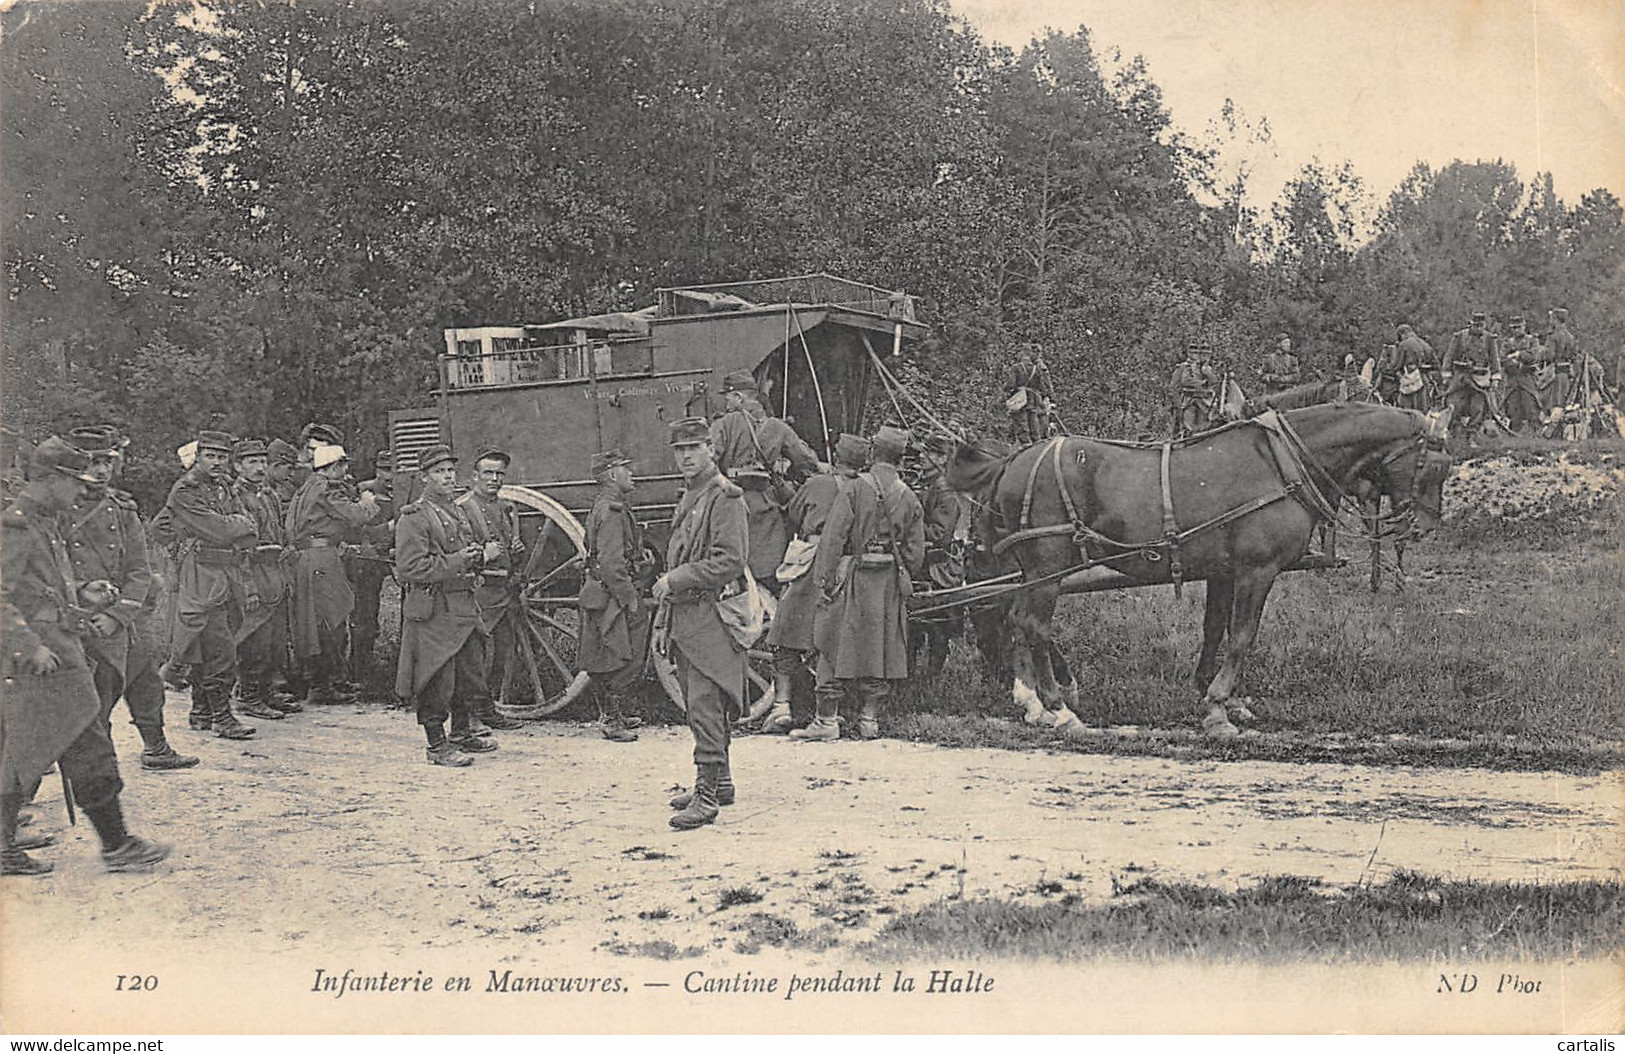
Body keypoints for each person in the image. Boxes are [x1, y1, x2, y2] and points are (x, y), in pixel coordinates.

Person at [2, 437, 172, 875]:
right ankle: (115, 844)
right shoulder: (17, 526)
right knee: (35, 748)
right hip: (39, 659)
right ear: (53, 480)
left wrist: (82, 594)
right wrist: (29, 647)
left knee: (68, 744)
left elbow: (39, 591)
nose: (83, 491)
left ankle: (115, 843)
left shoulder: (44, 523)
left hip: (58, 649)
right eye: (75, 482)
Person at [63, 426, 199, 771]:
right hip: (80, 619)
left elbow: (140, 570)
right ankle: (25, 789)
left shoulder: (122, 510)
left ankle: (156, 747)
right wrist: (82, 594)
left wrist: (119, 615)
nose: (101, 470)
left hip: (124, 617)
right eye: (93, 462)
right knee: (95, 698)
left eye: (107, 462)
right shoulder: (58, 510)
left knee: (146, 681)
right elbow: (49, 569)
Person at [796, 425, 925, 743]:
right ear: (900, 458)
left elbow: (834, 536)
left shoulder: (854, 489)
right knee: (880, 646)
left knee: (831, 640)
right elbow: (915, 552)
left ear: (873, 453)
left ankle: (827, 720)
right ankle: (869, 721)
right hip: (887, 584)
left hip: (852, 574)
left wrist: (824, 578)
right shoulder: (908, 496)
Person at [652, 418, 749, 831]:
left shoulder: (724, 496)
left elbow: (730, 559)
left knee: (707, 705)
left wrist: (676, 579)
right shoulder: (693, 494)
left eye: (694, 447)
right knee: (698, 703)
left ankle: (706, 798)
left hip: (710, 617)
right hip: (688, 618)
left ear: (712, 448)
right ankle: (720, 782)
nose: (686, 456)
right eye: (680, 450)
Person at [393, 444, 498, 766]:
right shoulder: (415, 516)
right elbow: (410, 568)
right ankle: (437, 746)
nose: (448, 477)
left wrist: (479, 557)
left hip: (462, 606)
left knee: (469, 673)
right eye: (440, 472)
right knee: (437, 677)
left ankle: (462, 733)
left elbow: (466, 556)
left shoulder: (459, 510)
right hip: (435, 609)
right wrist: (458, 561)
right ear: (424, 477)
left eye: (451, 471)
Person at [761, 434, 866, 734]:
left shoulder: (819, 484)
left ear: (837, 457)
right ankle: (833, 709)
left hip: (811, 562)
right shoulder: (864, 489)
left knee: (786, 630)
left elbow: (793, 512)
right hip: (846, 566)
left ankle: (782, 705)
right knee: (831, 640)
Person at [161, 429, 260, 738]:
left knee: (211, 642)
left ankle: (200, 711)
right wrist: (235, 526)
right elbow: (219, 530)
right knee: (220, 647)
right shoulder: (185, 491)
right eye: (210, 456)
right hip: (202, 574)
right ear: (198, 457)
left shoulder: (225, 487)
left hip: (227, 572)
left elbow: (249, 527)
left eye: (222, 457)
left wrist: (236, 526)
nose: (217, 462)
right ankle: (222, 716)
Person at [285, 442, 378, 704]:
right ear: (334, 467)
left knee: (312, 622)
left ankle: (322, 681)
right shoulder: (328, 488)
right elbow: (355, 516)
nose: (346, 470)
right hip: (321, 559)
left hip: (307, 557)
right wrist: (368, 501)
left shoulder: (306, 487)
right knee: (330, 620)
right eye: (343, 464)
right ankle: (323, 686)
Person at [708, 371, 819, 586]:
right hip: (765, 507)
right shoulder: (778, 427)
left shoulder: (724, 424)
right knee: (770, 571)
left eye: (729, 397)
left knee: (732, 573)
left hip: (730, 505)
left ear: (739, 398)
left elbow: (708, 461)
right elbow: (806, 461)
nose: (727, 403)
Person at [576, 449, 652, 743]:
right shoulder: (611, 512)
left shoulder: (609, 506)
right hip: (612, 594)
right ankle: (611, 718)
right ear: (611, 475)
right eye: (625, 469)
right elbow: (610, 563)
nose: (631, 473)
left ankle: (615, 714)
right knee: (624, 653)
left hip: (606, 591)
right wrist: (628, 597)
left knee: (613, 652)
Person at [230, 438, 301, 721]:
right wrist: (247, 584)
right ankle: (248, 696)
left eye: (262, 462)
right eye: (252, 462)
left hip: (275, 571)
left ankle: (268, 691)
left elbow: (279, 531)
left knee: (275, 637)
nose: (259, 468)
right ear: (238, 466)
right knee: (254, 639)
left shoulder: (269, 494)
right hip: (252, 569)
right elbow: (240, 543)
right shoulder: (235, 496)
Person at [455, 447, 525, 732]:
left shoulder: (506, 508)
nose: (494, 479)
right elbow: (459, 551)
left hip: (504, 593)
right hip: (480, 594)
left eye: (499, 474)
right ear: (475, 476)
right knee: (476, 658)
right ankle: (470, 717)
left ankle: (489, 709)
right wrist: (484, 553)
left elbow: (511, 552)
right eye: (488, 473)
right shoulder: (464, 510)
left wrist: (517, 551)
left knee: (502, 653)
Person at [914, 430, 972, 679]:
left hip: (940, 568)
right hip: (927, 562)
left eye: (926, 454)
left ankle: (932, 677)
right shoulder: (930, 484)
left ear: (939, 458)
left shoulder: (945, 491)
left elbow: (939, 534)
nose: (920, 459)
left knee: (937, 626)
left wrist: (909, 522)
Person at [348, 449, 397, 686]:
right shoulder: (364, 491)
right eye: (385, 470)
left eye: (393, 470)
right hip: (368, 561)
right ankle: (360, 670)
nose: (389, 476)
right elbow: (358, 531)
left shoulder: (404, 491)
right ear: (377, 469)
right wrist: (389, 528)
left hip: (394, 557)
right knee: (364, 615)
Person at [1443, 311, 1502, 443]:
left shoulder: (1489, 339)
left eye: (1481, 326)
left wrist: (1495, 378)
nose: (1478, 329)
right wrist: (1446, 375)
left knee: (1478, 408)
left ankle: (1472, 435)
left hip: (1480, 379)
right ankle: (1454, 433)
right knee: (1454, 405)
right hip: (1461, 377)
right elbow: (1449, 356)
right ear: (1471, 324)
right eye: (1476, 326)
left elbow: (1494, 359)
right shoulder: (1460, 337)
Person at [1499, 316, 1545, 435]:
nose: (1516, 330)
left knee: (1531, 406)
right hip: (1512, 379)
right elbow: (1502, 359)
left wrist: (1517, 355)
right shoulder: (1508, 342)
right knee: (1513, 408)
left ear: (1524, 327)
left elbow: (1534, 356)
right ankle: (1515, 433)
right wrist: (1514, 363)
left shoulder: (1532, 340)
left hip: (1527, 378)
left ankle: (1535, 433)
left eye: (1518, 327)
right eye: (1513, 328)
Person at [1004, 345, 1053, 444]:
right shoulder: (1036, 369)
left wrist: (1008, 390)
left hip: (1020, 400)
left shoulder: (1016, 368)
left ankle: (1025, 448)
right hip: (1034, 400)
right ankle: (1036, 446)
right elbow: (1043, 388)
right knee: (1034, 425)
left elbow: (1010, 384)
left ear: (1021, 353)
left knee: (1022, 425)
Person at [1168, 341, 1218, 437]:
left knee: (1204, 431)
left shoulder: (1207, 368)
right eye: (1192, 350)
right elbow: (1180, 384)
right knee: (1187, 431)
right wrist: (1178, 405)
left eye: (1206, 353)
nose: (1195, 353)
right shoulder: (1184, 367)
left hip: (1204, 404)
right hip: (1188, 402)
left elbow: (1215, 383)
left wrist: (1207, 372)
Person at [1393, 324, 1439, 411]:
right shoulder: (1425, 344)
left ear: (1402, 334)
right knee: (1424, 408)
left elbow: (1396, 365)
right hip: (1426, 379)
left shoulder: (1404, 344)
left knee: (1405, 409)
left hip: (1411, 381)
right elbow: (1436, 364)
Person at [1543, 307, 1579, 413]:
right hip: (1567, 373)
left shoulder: (1553, 336)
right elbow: (1574, 355)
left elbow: (1549, 356)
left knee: (1552, 402)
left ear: (1555, 319)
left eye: (1551, 317)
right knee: (1565, 402)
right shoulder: (1570, 337)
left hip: (1554, 373)